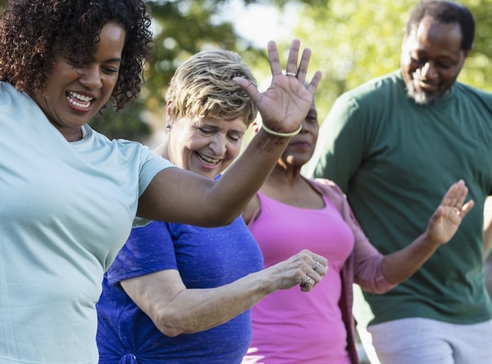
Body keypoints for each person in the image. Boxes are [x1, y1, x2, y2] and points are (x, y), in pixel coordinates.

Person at [0, 0, 321, 364]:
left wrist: (274, 134)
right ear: (39, 46)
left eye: (110, 66)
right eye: (78, 57)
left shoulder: (123, 163)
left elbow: (217, 203)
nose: (92, 80)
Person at [304, 0, 492, 364]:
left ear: (465, 56)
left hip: (472, 307)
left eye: (444, 63)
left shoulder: (490, 113)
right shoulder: (361, 110)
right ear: (403, 39)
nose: (427, 72)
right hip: (396, 304)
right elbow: (313, 201)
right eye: (418, 57)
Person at [95, 49, 328, 364]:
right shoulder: (138, 191)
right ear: (172, 112)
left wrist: (278, 131)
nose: (219, 149)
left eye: (234, 135)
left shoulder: (218, 195)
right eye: (207, 129)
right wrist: (272, 278)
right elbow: (171, 314)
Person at [240, 99, 475, 364]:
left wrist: (430, 240)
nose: (303, 128)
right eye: (291, 117)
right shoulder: (240, 197)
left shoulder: (332, 196)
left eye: (311, 118)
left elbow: (376, 275)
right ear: (257, 127)